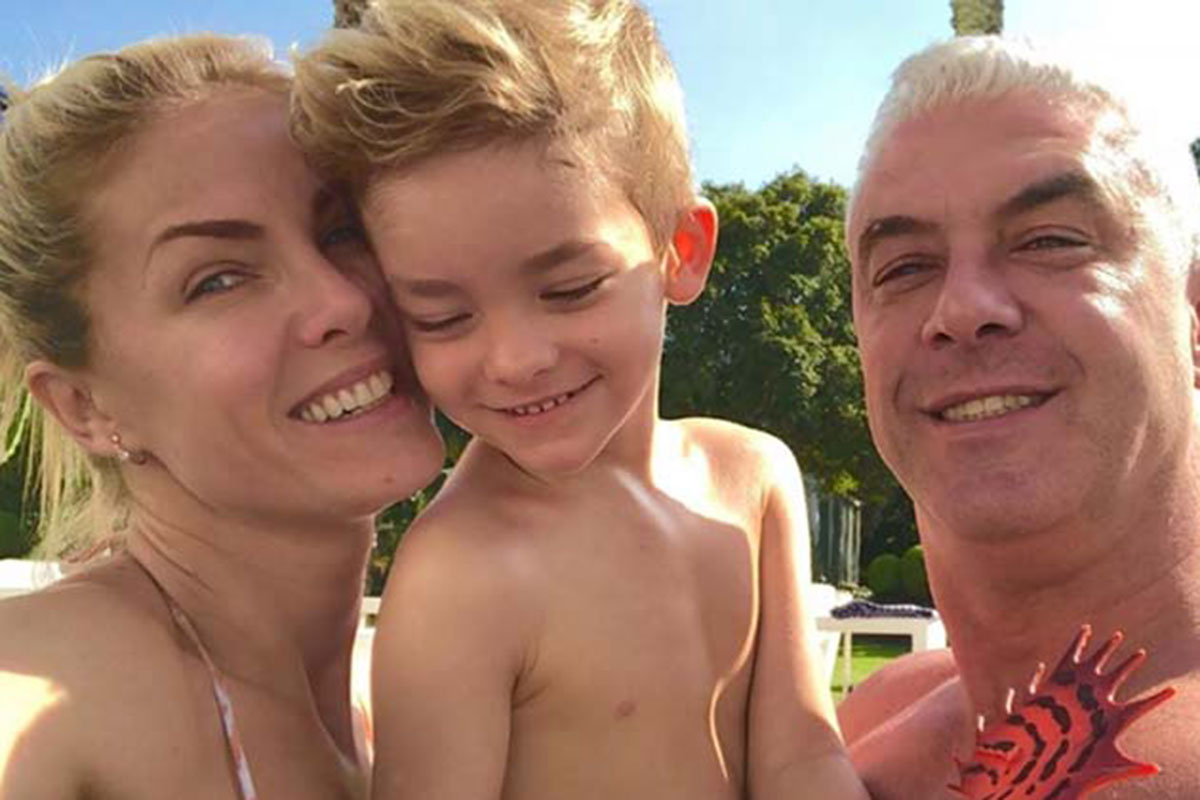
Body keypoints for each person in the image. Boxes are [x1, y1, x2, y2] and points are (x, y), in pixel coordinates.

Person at [292, 2, 868, 798]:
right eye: (442, 316)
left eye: (569, 288)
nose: (517, 360)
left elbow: (802, 754)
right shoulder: (460, 574)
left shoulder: (756, 477)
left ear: (681, 251)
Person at [0, 34, 445, 799]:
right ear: (84, 405)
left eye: (342, 230)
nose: (341, 300)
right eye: (218, 280)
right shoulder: (49, 686)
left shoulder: (417, 690)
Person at [836, 35, 1200, 797]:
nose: (962, 309)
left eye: (1051, 241)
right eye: (904, 268)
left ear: (1193, 312)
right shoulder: (858, 727)